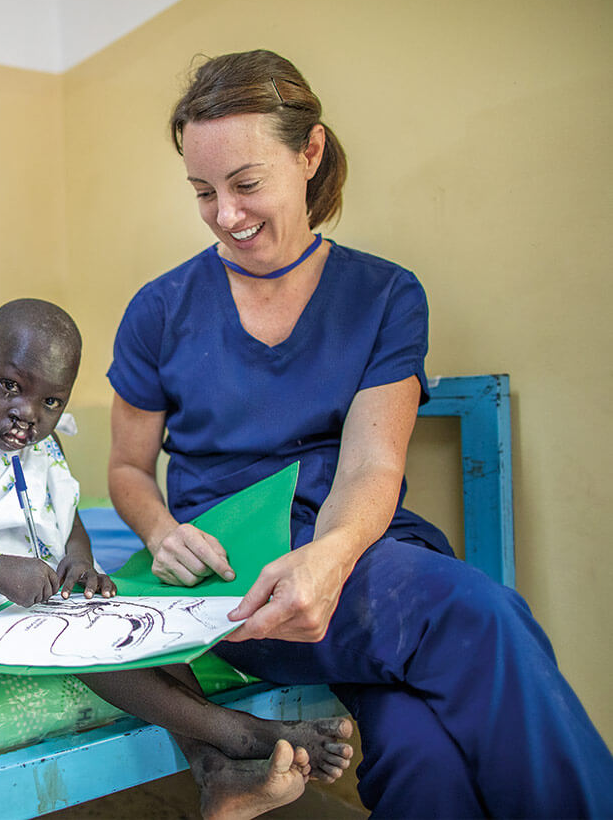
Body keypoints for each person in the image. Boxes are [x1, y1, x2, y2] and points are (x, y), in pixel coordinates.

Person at [107, 49, 613, 817]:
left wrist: (331, 559)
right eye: (203, 192)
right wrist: (161, 527)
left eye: (246, 184)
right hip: (240, 581)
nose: (226, 214)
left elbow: (374, 462)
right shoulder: (159, 309)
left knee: (422, 755)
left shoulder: (385, 295)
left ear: (309, 152)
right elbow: (127, 468)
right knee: (480, 617)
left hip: (362, 550)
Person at [0, 298, 355, 820]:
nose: (27, 414)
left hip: (29, 584)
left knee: (132, 619)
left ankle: (211, 771)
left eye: (51, 402)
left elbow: (69, 522)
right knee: (80, 643)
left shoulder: (44, 448)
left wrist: (79, 562)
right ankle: (239, 733)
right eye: (10, 386)